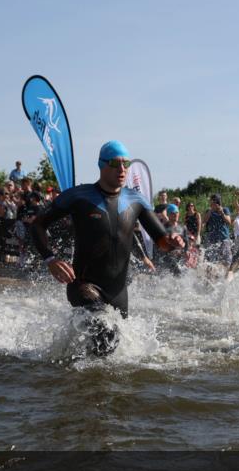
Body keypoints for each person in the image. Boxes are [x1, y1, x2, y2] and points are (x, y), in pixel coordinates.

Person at [33, 140, 184, 355]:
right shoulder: (79, 196)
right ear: (102, 165)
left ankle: (75, 375)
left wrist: (173, 241)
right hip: (84, 285)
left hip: (119, 292)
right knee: (105, 331)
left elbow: (161, 240)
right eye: (115, 163)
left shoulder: (136, 200)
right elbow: (38, 225)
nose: (122, 169)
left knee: (109, 354)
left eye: (126, 163)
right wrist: (50, 259)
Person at [202, 193, 233, 266]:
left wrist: (222, 213)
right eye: (211, 201)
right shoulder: (208, 211)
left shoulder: (225, 210)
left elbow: (229, 221)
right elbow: (204, 221)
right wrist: (210, 211)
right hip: (211, 239)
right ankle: (209, 276)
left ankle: (224, 275)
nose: (212, 203)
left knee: (226, 260)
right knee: (209, 261)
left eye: (214, 201)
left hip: (224, 238)